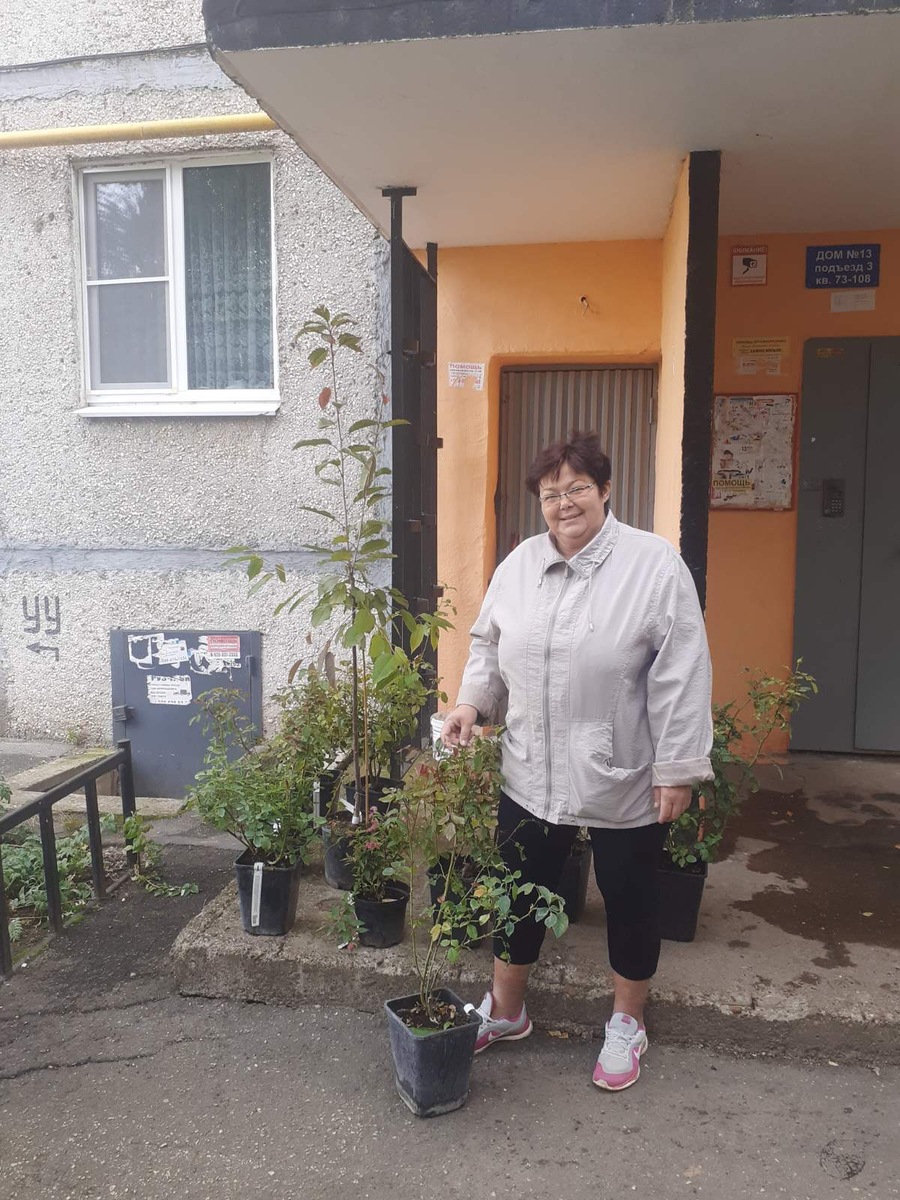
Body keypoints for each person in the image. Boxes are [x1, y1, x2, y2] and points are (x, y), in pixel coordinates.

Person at [441, 431, 713, 1091]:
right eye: (550, 493)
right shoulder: (520, 565)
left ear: (606, 490)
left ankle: (628, 1022)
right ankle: (507, 1010)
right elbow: (488, 645)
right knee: (520, 891)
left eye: (578, 489)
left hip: (622, 770)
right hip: (530, 768)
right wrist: (472, 704)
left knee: (629, 896)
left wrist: (678, 768)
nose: (564, 504)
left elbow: (681, 672)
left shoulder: (653, 566)